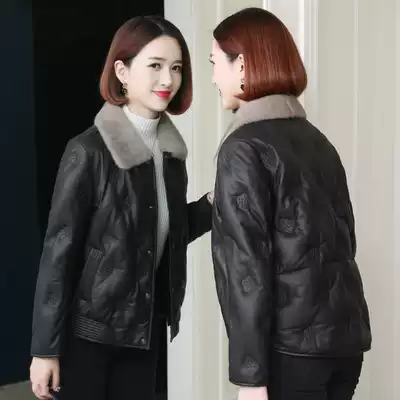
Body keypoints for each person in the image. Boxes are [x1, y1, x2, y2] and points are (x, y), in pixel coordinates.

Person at [30, 15, 213, 400]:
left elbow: (165, 231)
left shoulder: (171, 156)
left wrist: (214, 204)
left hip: (143, 330)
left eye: (176, 68)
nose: (168, 80)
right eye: (155, 65)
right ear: (122, 72)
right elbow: (58, 255)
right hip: (89, 337)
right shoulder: (88, 151)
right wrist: (45, 350)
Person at [210, 7, 371, 400]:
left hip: (291, 355)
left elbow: (245, 270)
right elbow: (345, 241)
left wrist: (250, 378)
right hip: (344, 344)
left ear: (241, 65)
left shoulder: (243, 148)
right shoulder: (317, 141)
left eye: (215, 64)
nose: (213, 77)